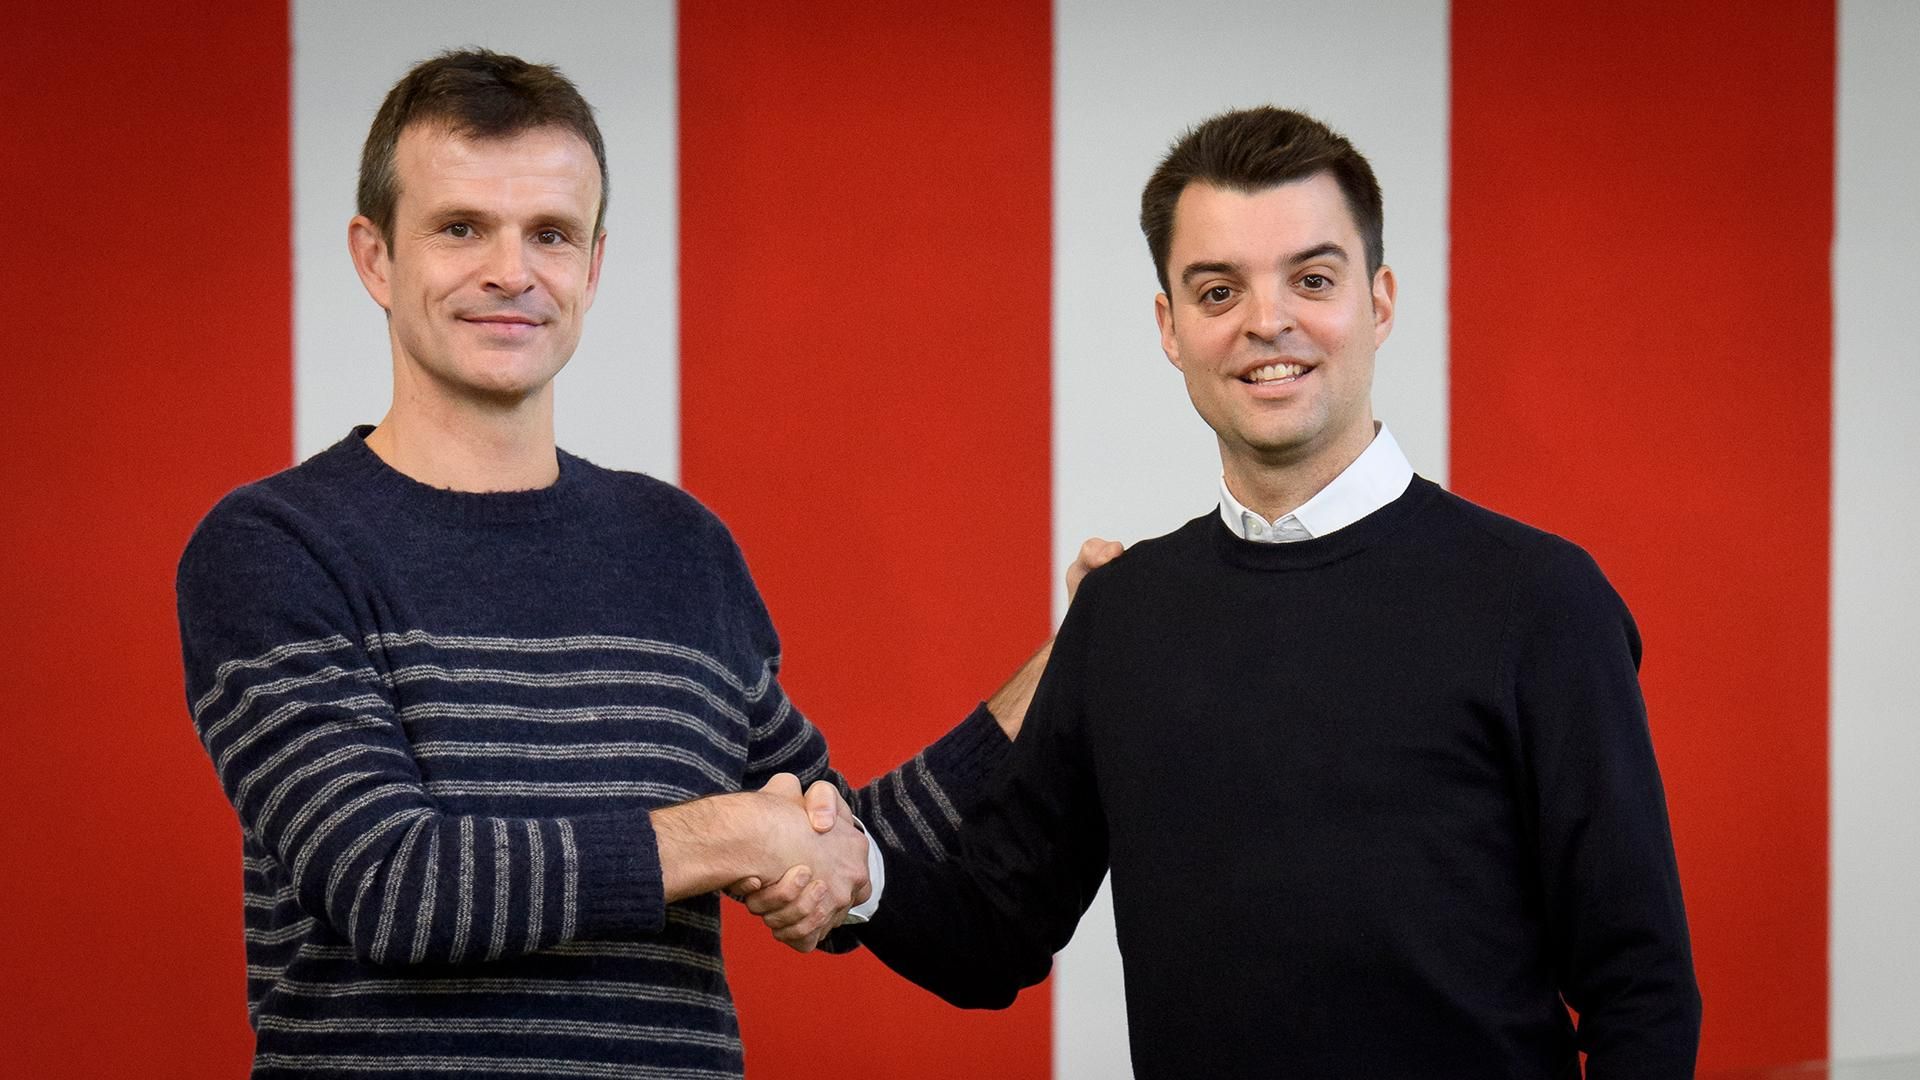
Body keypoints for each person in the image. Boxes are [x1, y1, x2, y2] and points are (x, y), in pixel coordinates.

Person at [175, 48, 1100, 1077]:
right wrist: (732, 838)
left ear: (594, 267)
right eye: (461, 227)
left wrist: (1068, 662)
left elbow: (840, 851)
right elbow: (393, 881)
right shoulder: (272, 546)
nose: (511, 272)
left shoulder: (682, 548)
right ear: (375, 257)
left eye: (551, 235)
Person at [845, 107, 1703, 1078]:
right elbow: (994, 933)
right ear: (1171, 326)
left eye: (1313, 278)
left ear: (1379, 302)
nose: (1268, 321)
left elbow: (1642, 989)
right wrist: (856, 873)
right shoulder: (1123, 615)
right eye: (1219, 290)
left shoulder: (1540, 600)